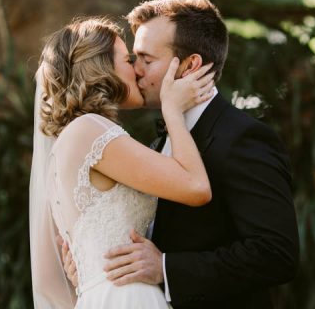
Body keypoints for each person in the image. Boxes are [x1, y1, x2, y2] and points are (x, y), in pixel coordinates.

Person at [62, 0, 299, 309]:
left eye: (147, 59)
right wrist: (94, 263)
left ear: (190, 65)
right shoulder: (154, 140)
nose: (136, 71)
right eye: (134, 59)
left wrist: (165, 268)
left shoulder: (243, 139)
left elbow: (276, 253)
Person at [30, 16, 216, 308]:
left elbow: (49, 279)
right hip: (126, 296)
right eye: (129, 59)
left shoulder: (72, 140)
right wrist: (173, 112)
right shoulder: (89, 130)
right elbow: (196, 187)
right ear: (100, 67)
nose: (138, 69)